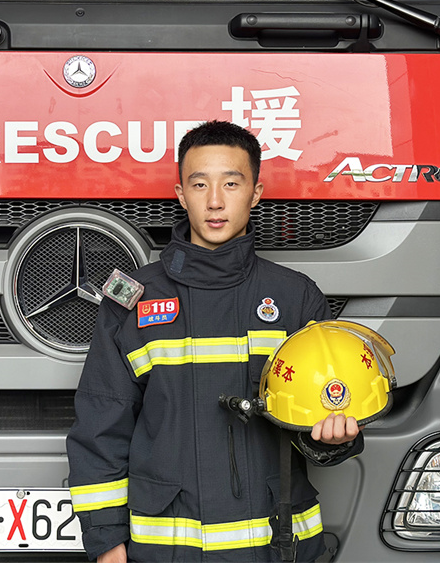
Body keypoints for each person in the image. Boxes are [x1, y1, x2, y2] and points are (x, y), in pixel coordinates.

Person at [67, 120, 363, 563]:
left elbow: (325, 412)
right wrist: (106, 540)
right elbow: (100, 426)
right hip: (167, 552)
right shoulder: (133, 301)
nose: (215, 201)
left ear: (256, 193)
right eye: (199, 184)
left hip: (276, 549)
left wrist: (331, 439)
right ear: (180, 194)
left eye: (231, 183)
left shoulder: (295, 298)